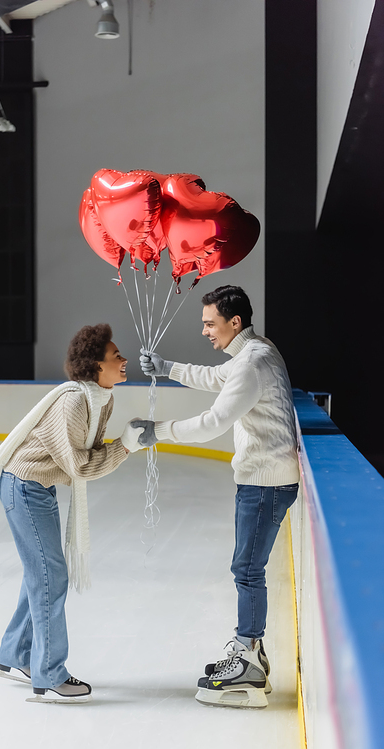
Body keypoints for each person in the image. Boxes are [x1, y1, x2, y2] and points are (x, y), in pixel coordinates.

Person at [135, 285, 299, 709]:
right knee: (247, 567)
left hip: (264, 481)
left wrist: (159, 431)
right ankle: (251, 649)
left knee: (246, 568)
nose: (204, 330)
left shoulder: (252, 363)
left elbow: (213, 421)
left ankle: (247, 660)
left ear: (234, 322)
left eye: (210, 323)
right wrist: (166, 366)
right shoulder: (255, 353)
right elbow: (213, 378)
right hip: (266, 478)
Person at [0, 324, 144, 705]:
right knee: (50, 576)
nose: (123, 360)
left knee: (40, 573)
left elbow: (87, 456)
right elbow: (81, 466)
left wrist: (121, 446)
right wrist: (125, 446)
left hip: (36, 487)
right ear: (95, 366)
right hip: (24, 486)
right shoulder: (75, 402)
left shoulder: (101, 397)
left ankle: (17, 654)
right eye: (115, 356)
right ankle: (49, 674)